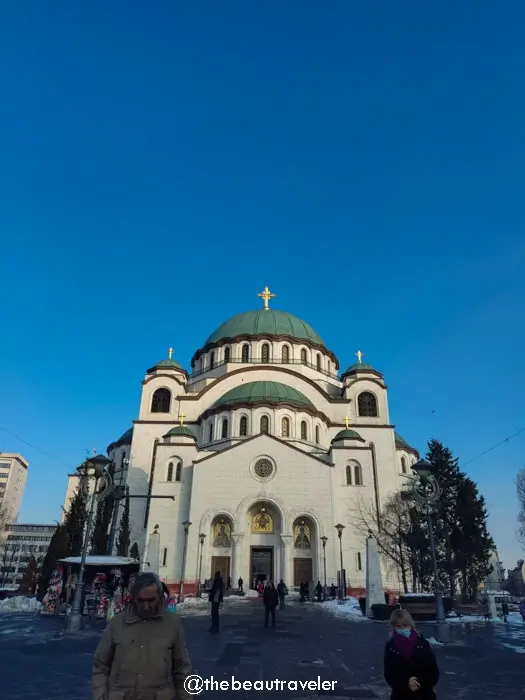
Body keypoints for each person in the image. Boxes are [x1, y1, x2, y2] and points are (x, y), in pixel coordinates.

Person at [92, 572, 192, 700]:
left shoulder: (172, 624)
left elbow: (182, 668)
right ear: (133, 598)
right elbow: (100, 664)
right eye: (141, 600)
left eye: (151, 600)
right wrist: (100, 695)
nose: (145, 606)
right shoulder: (117, 624)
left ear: (160, 597)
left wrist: (186, 697)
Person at [384, 609, 439, 700]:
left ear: (410, 625)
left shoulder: (422, 643)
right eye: (398, 626)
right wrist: (406, 682)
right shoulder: (390, 647)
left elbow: (433, 671)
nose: (402, 629)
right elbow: (389, 674)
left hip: (423, 695)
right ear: (394, 627)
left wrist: (417, 681)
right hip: (400, 695)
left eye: (405, 625)